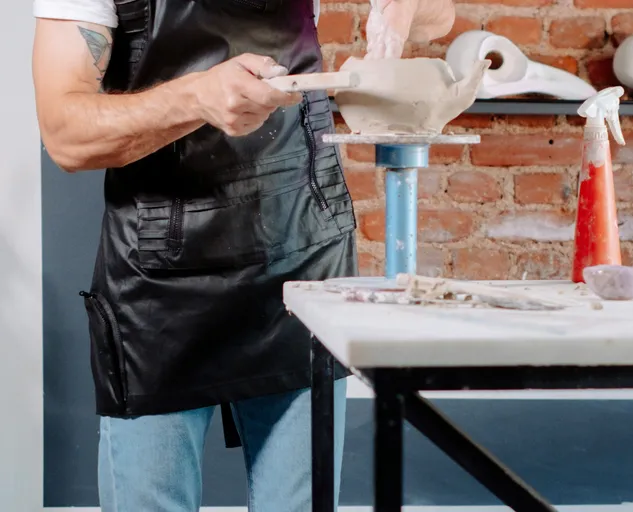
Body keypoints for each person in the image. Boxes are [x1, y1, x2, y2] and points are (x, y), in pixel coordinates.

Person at [31, 0, 453, 510]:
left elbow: (441, 16)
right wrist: (195, 98)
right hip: (159, 285)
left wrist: (402, 10)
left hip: (301, 262)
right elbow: (64, 134)